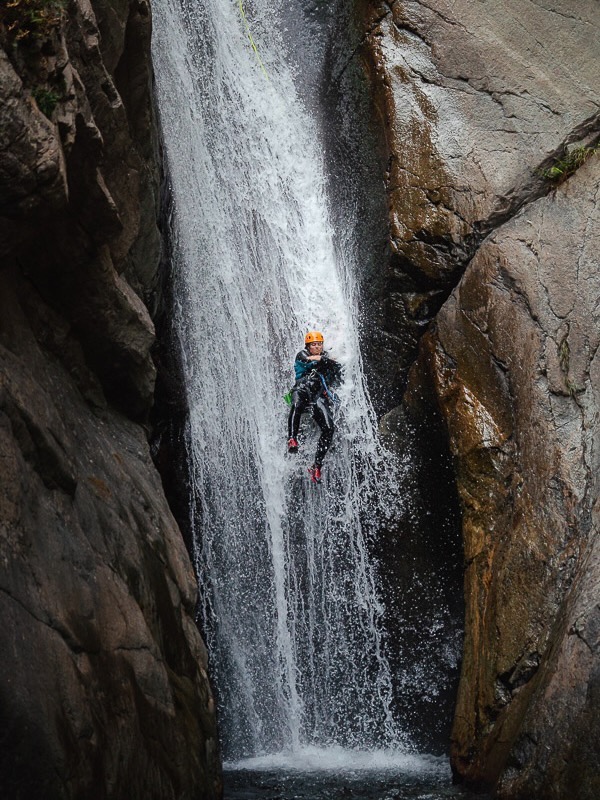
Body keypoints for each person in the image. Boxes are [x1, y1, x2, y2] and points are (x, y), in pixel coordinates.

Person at [287, 331, 343, 483]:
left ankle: (317, 466)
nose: (317, 347)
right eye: (314, 344)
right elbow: (310, 359)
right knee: (297, 404)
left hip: (318, 397)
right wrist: (326, 359)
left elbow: (337, 369)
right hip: (303, 390)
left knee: (329, 428)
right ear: (308, 346)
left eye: (319, 344)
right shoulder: (302, 354)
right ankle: (292, 438)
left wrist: (331, 362)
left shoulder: (325, 358)